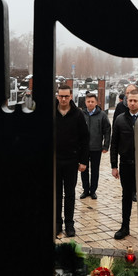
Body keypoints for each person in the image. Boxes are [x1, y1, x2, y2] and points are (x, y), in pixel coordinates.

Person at [55, 84, 89, 237]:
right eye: (61, 96)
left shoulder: (78, 114)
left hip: (71, 160)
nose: (63, 99)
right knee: (55, 194)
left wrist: (83, 161)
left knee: (69, 193)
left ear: (71, 96)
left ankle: (69, 224)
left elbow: (84, 138)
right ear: (57, 96)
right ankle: (56, 223)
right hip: (54, 161)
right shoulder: (51, 112)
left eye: (66, 96)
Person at [110, 88, 138, 239]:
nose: (132, 103)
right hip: (126, 164)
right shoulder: (120, 119)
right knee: (126, 196)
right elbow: (114, 143)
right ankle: (125, 227)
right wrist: (113, 165)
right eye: (130, 100)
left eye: (135, 100)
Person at [80, 93, 111, 200]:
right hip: (83, 148)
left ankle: (93, 191)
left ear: (96, 102)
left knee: (95, 170)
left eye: (92, 101)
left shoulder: (102, 115)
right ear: (85, 102)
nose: (90, 103)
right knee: (84, 169)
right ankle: (85, 190)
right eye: (88, 101)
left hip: (96, 148)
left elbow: (107, 130)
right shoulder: (81, 114)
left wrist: (106, 145)